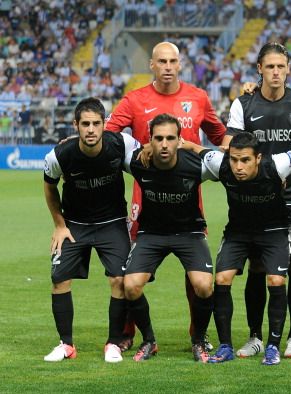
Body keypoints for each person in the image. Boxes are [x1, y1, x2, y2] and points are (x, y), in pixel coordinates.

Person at [105, 41, 227, 351]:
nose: (168, 66)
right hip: (144, 199)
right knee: (130, 272)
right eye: (162, 61)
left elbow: (220, 135)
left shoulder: (197, 98)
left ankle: (196, 332)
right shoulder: (135, 100)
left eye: (173, 61)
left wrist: (236, 146)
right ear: (152, 65)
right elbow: (109, 134)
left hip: (188, 198)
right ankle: (128, 332)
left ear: (180, 64)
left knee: (196, 276)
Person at [226, 42, 291, 359]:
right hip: (253, 201)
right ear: (260, 69)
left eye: (281, 66)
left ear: (288, 69)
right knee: (256, 268)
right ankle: (255, 335)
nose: (276, 72)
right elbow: (229, 145)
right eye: (270, 67)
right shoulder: (244, 104)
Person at [196, 132, 291, 366]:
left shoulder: (277, 164)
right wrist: (183, 144)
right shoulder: (219, 162)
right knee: (222, 278)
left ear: (258, 158)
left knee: (275, 280)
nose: (238, 166)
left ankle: (273, 346)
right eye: (234, 160)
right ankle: (225, 347)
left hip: (274, 230)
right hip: (238, 232)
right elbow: (198, 150)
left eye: (245, 160)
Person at [43, 97, 140, 363]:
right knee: (59, 278)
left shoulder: (120, 144)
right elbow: (49, 187)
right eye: (85, 123)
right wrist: (59, 225)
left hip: (112, 223)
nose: (90, 129)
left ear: (104, 124)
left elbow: (145, 170)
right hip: (75, 225)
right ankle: (66, 345)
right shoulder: (60, 155)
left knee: (119, 280)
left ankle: (113, 343)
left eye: (96, 123)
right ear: (76, 125)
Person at [122, 114, 216, 363]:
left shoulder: (197, 164)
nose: (164, 144)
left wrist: (198, 147)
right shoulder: (138, 162)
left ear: (179, 140)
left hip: (190, 233)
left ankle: (198, 340)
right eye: (158, 138)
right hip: (151, 234)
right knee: (130, 286)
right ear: (149, 141)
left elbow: (231, 163)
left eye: (170, 138)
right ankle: (149, 340)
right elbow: (107, 144)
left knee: (204, 286)